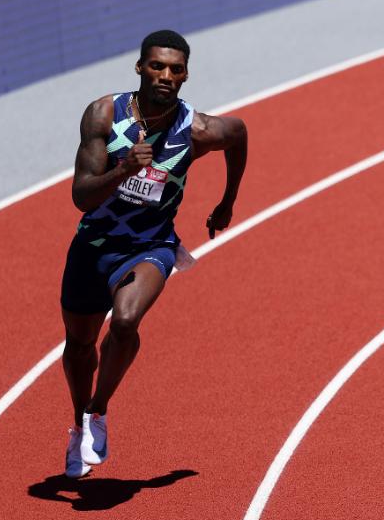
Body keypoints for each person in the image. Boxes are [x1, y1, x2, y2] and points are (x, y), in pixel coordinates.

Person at [60, 30, 248, 478]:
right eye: (157, 66)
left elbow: (238, 134)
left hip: (151, 245)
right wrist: (125, 167)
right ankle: (78, 423)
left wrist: (227, 201)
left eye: (175, 69)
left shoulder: (198, 130)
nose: (166, 75)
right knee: (80, 347)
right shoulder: (104, 114)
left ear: (186, 75)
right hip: (94, 245)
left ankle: (98, 412)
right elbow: (81, 197)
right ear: (140, 67)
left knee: (125, 322)